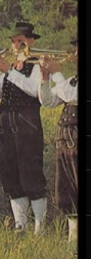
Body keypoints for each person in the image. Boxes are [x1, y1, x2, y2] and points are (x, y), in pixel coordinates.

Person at [0, 22, 48, 234]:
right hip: (6, 123)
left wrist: (10, 70)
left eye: (20, 41)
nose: (16, 46)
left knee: (31, 171)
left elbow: (33, 91)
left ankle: (40, 225)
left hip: (27, 123)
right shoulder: (10, 69)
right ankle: (20, 223)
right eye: (13, 42)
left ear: (31, 42)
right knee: (9, 170)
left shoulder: (38, 66)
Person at [38, 39, 78, 242]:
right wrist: (45, 79)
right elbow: (47, 101)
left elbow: (72, 95)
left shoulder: (68, 84)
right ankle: (73, 240)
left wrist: (55, 72)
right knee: (67, 190)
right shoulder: (71, 80)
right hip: (65, 139)